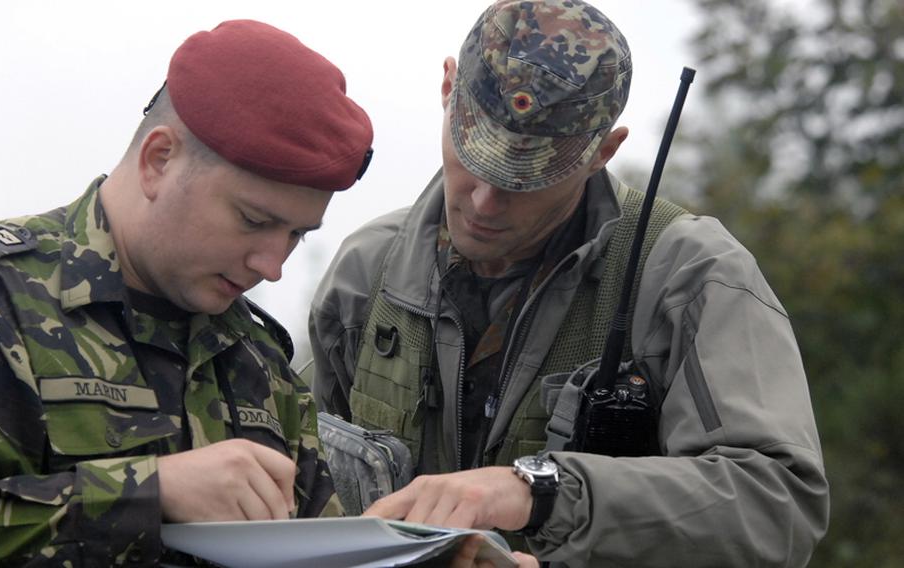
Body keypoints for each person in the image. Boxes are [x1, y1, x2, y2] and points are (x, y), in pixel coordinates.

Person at [307, 0, 830, 566]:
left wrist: (544, 494)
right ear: (447, 88)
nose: (484, 201)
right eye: (476, 155)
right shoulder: (369, 273)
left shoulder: (688, 277)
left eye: (527, 177)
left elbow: (778, 507)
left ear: (603, 151)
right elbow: (306, 489)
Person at [0, 19, 371, 566]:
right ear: (158, 161)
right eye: (253, 219)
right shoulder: (7, 299)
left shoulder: (257, 357)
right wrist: (149, 493)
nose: (272, 266)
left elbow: (315, 546)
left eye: (295, 234)